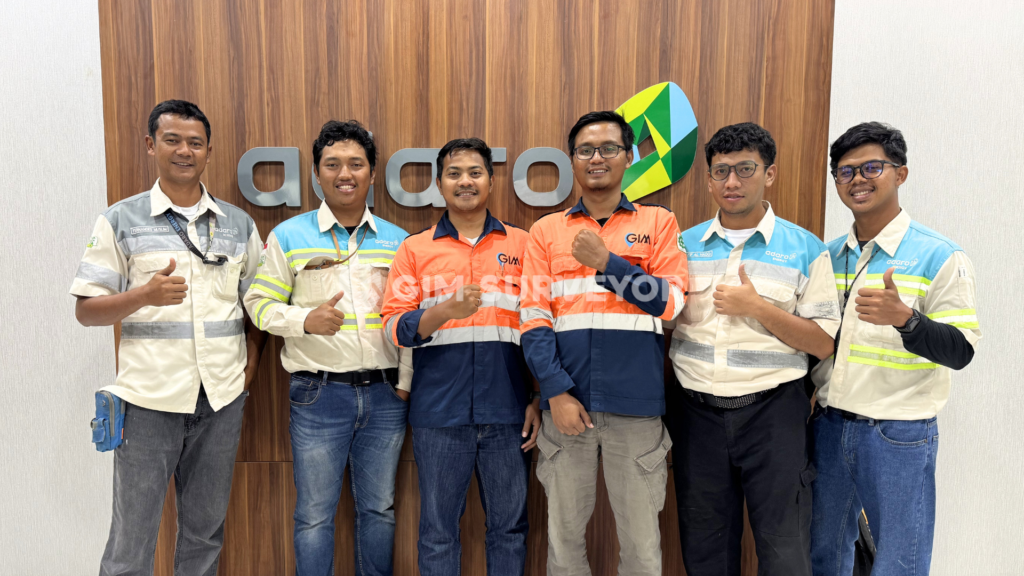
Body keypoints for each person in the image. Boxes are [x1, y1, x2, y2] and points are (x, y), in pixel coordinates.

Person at [71, 99, 265, 576]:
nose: (184, 151)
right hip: (149, 401)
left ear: (209, 151)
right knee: (132, 540)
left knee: (205, 534)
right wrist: (144, 295)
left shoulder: (238, 224)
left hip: (220, 398)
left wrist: (251, 363)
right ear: (150, 144)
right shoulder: (120, 219)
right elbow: (86, 311)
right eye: (172, 140)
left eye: (195, 143)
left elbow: (260, 306)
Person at [665, 122, 840, 575]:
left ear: (769, 174)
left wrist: (759, 308)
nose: (732, 182)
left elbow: (823, 343)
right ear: (708, 180)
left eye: (745, 169)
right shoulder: (683, 246)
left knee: (784, 551)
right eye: (721, 171)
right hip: (696, 415)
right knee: (704, 549)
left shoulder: (806, 248)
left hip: (773, 415)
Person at [810, 122, 981, 576]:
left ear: (900, 174)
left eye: (872, 168)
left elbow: (961, 351)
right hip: (829, 426)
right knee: (824, 556)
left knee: (899, 563)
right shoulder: (827, 255)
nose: (857, 180)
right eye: (846, 171)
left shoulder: (939, 255)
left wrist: (907, 319)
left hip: (898, 435)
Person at [520, 111, 688, 575]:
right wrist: (555, 391)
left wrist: (608, 263)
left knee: (642, 548)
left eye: (609, 148)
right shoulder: (546, 231)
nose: (597, 158)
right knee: (563, 545)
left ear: (629, 157)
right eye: (585, 150)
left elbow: (672, 303)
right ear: (572, 159)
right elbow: (533, 319)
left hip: (636, 409)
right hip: (565, 408)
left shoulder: (659, 222)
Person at [243, 120, 412, 576]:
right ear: (317, 174)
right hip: (318, 395)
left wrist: (405, 382)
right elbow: (257, 304)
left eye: (356, 164)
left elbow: (410, 318)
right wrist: (304, 320)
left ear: (372, 173)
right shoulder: (289, 236)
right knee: (315, 515)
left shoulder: (398, 241)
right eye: (332, 164)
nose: (345, 174)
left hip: (386, 395)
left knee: (379, 509)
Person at [380, 138, 538, 576]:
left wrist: (539, 397)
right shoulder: (415, 249)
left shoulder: (524, 245)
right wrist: (444, 310)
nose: (465, 181)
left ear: (491, 180)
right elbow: (393, 325)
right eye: (454, 173)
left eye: (475, 172)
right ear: (439, 183)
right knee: (437, 532)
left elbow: (542, 327)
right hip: (439, 414)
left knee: (509, 530)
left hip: (509, 412)